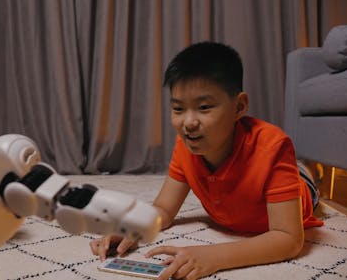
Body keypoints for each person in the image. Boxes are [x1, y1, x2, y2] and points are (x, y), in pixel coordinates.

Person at [89, 42, 323, 279]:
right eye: (178, 109)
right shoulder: (186, 146)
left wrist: (215, 256)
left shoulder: (274, 148)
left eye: (203, 107)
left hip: (300, 184)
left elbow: (288, 238)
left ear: (239, 106)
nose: (188, 122)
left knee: (303, 174)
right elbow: (164, 209)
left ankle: (307, 169)